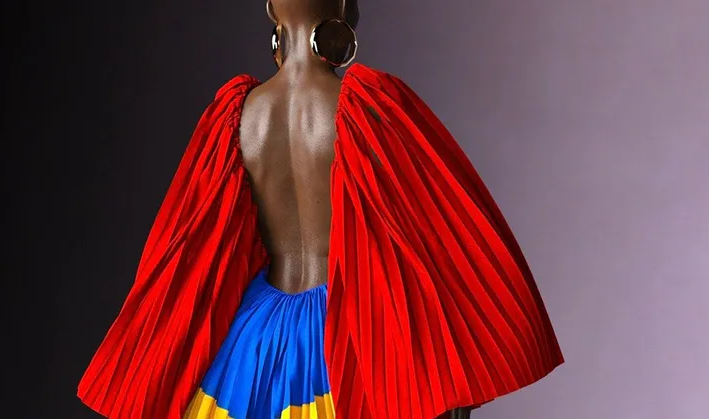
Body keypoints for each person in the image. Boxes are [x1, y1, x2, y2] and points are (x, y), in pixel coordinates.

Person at [77, 1, 564, 418]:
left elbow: (192, 239)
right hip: (343, 340)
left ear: (273, 12)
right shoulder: (367, 107)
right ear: (343, 10)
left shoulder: (236, 116)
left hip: (252, 340)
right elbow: (435, 240)